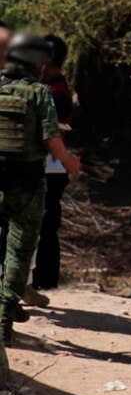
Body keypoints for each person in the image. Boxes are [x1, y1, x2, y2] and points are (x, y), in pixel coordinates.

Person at [0, 33, 80, 344]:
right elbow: (51, 139)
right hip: (26, 185)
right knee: (20, 251)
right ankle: (5, 318)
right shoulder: (39, 94)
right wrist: (69, 161)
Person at [33, 34, 75, 291]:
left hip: (50, 169)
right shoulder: (47, 89)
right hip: (45, 167)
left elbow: (49, 133)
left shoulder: (56, 93)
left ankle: (44, 282)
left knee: (46, 227)